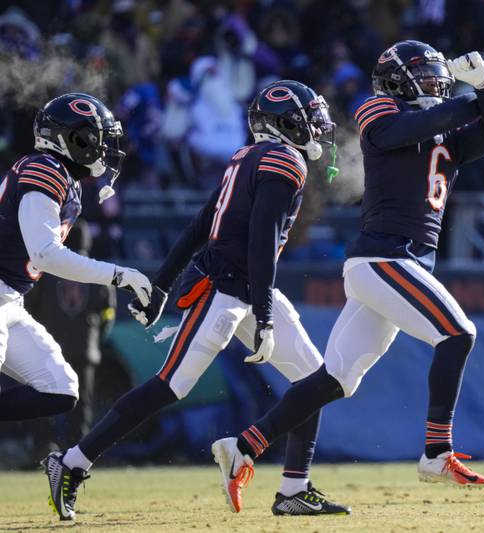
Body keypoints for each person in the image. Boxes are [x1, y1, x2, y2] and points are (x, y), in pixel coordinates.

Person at [209, 40, 484, 511]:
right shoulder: (378, 110)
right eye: (425, 76)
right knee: (457, 334)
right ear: (398, 79)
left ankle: (245, 447)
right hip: (384, 259)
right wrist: (475, 94)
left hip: (398, 264)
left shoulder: (444, 125)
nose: (435, 83)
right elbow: (425, 122)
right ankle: (437, 451)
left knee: (336, 379)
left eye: (438, 76)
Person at [42, 81, 350, 520]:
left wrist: (162, 286)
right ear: (284, 124)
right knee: (170, 384)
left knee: (314, 381)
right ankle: (70, 463)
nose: (318, 128)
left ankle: (294, 488)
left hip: (242, 285)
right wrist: (262, 314)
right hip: (225, 289)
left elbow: (201, 223)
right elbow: (260, 241)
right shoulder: (284, 160)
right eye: (309, 119)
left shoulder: (246, 157)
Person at [0, 93, 151, 424]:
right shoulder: (45, 168)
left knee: (61, 388)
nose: (105, 148)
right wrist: (118, 275)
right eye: (98, 139)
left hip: (10, 299)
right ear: (75, 139)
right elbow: (45, 254)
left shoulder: (63, 178)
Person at [24, 220, 116, 450]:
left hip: (48, 349)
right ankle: (78, 454)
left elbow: (28, 308)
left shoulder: (44, 270)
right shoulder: (99, 272)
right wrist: (95, 338)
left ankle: (44, 450)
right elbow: (108, 313)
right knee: (81, 404)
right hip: (85, 350)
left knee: (43, 401)